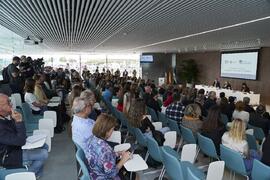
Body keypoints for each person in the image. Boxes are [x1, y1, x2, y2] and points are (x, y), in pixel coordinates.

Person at [0, 94, 48, 178]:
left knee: (45, 146)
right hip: (7, 156)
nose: (11, 104)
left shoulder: (4, 117)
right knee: (44, 154)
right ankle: (27, 175)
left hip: (13, 147)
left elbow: (19, 134)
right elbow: (20, 141)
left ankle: (36, 174)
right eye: (8, 102)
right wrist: (19, 121)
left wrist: (14, 119)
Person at [85, 114, 132, 179]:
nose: (113, 131)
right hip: (104, 177)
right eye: (112, 129)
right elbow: (111, 174)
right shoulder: (106, 149)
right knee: (134, 175)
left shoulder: (91, 138)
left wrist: (118, 153)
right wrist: (123, 160)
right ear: (107, 131)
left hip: (94, 172)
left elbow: (103, 158)